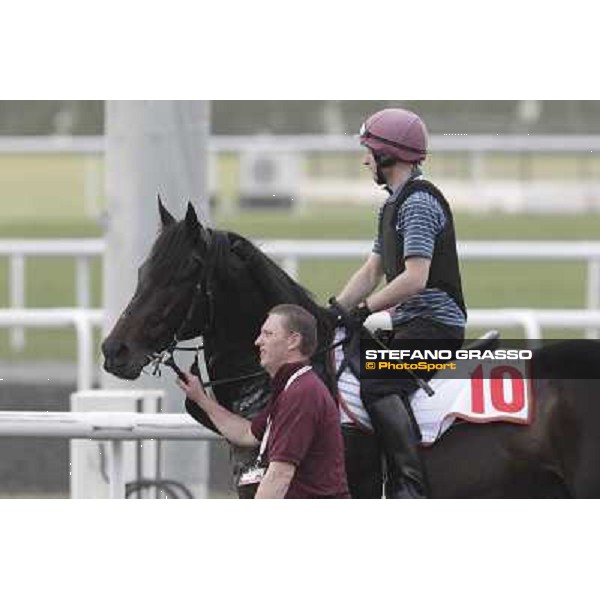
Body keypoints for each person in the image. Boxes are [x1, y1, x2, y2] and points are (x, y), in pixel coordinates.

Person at [330, 107, 467, 499]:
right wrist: (335, 311)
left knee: (376, 381)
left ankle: (409, 483)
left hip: (436, 328)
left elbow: (414, 278)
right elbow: (371, 270)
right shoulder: (392, 204)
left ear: (388, 156)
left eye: (369, 152)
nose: (365, 159)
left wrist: (365, 309)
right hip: (410, 323)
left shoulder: (418, 205)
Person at [177, 303, 350, 499]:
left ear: (293, 341)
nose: (258, 341)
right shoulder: (292, 387)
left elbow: (280, 474)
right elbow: (246, 434)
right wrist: (201, 398)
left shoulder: (301, 393)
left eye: (268, 334)